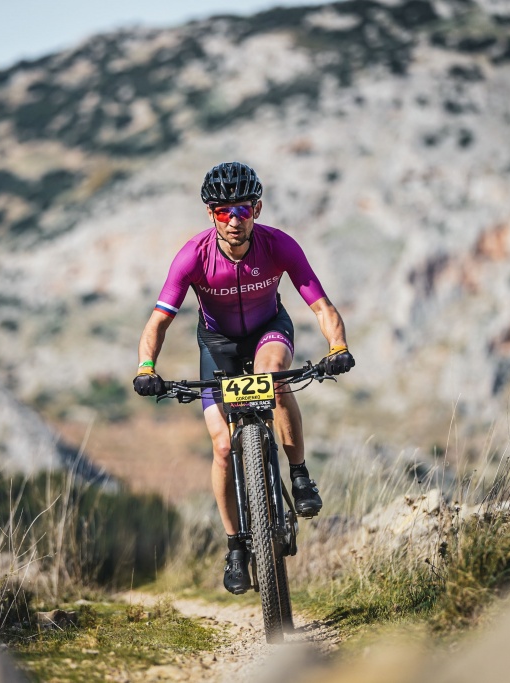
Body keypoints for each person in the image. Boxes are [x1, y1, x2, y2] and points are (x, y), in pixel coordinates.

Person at [132, 161, 354, 594]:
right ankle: (235, 546)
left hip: (268, 329)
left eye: (243, 211)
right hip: (217, 346)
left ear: (257, 209)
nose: (234, 221)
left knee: (275, 376)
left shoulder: (279, 246)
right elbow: (158, 322)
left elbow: (322, 308)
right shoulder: (193, 256)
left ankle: (300, 475)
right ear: (210, 215)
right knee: (219, 446)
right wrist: (146, 369)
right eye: (222, 212)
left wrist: (338, 347)